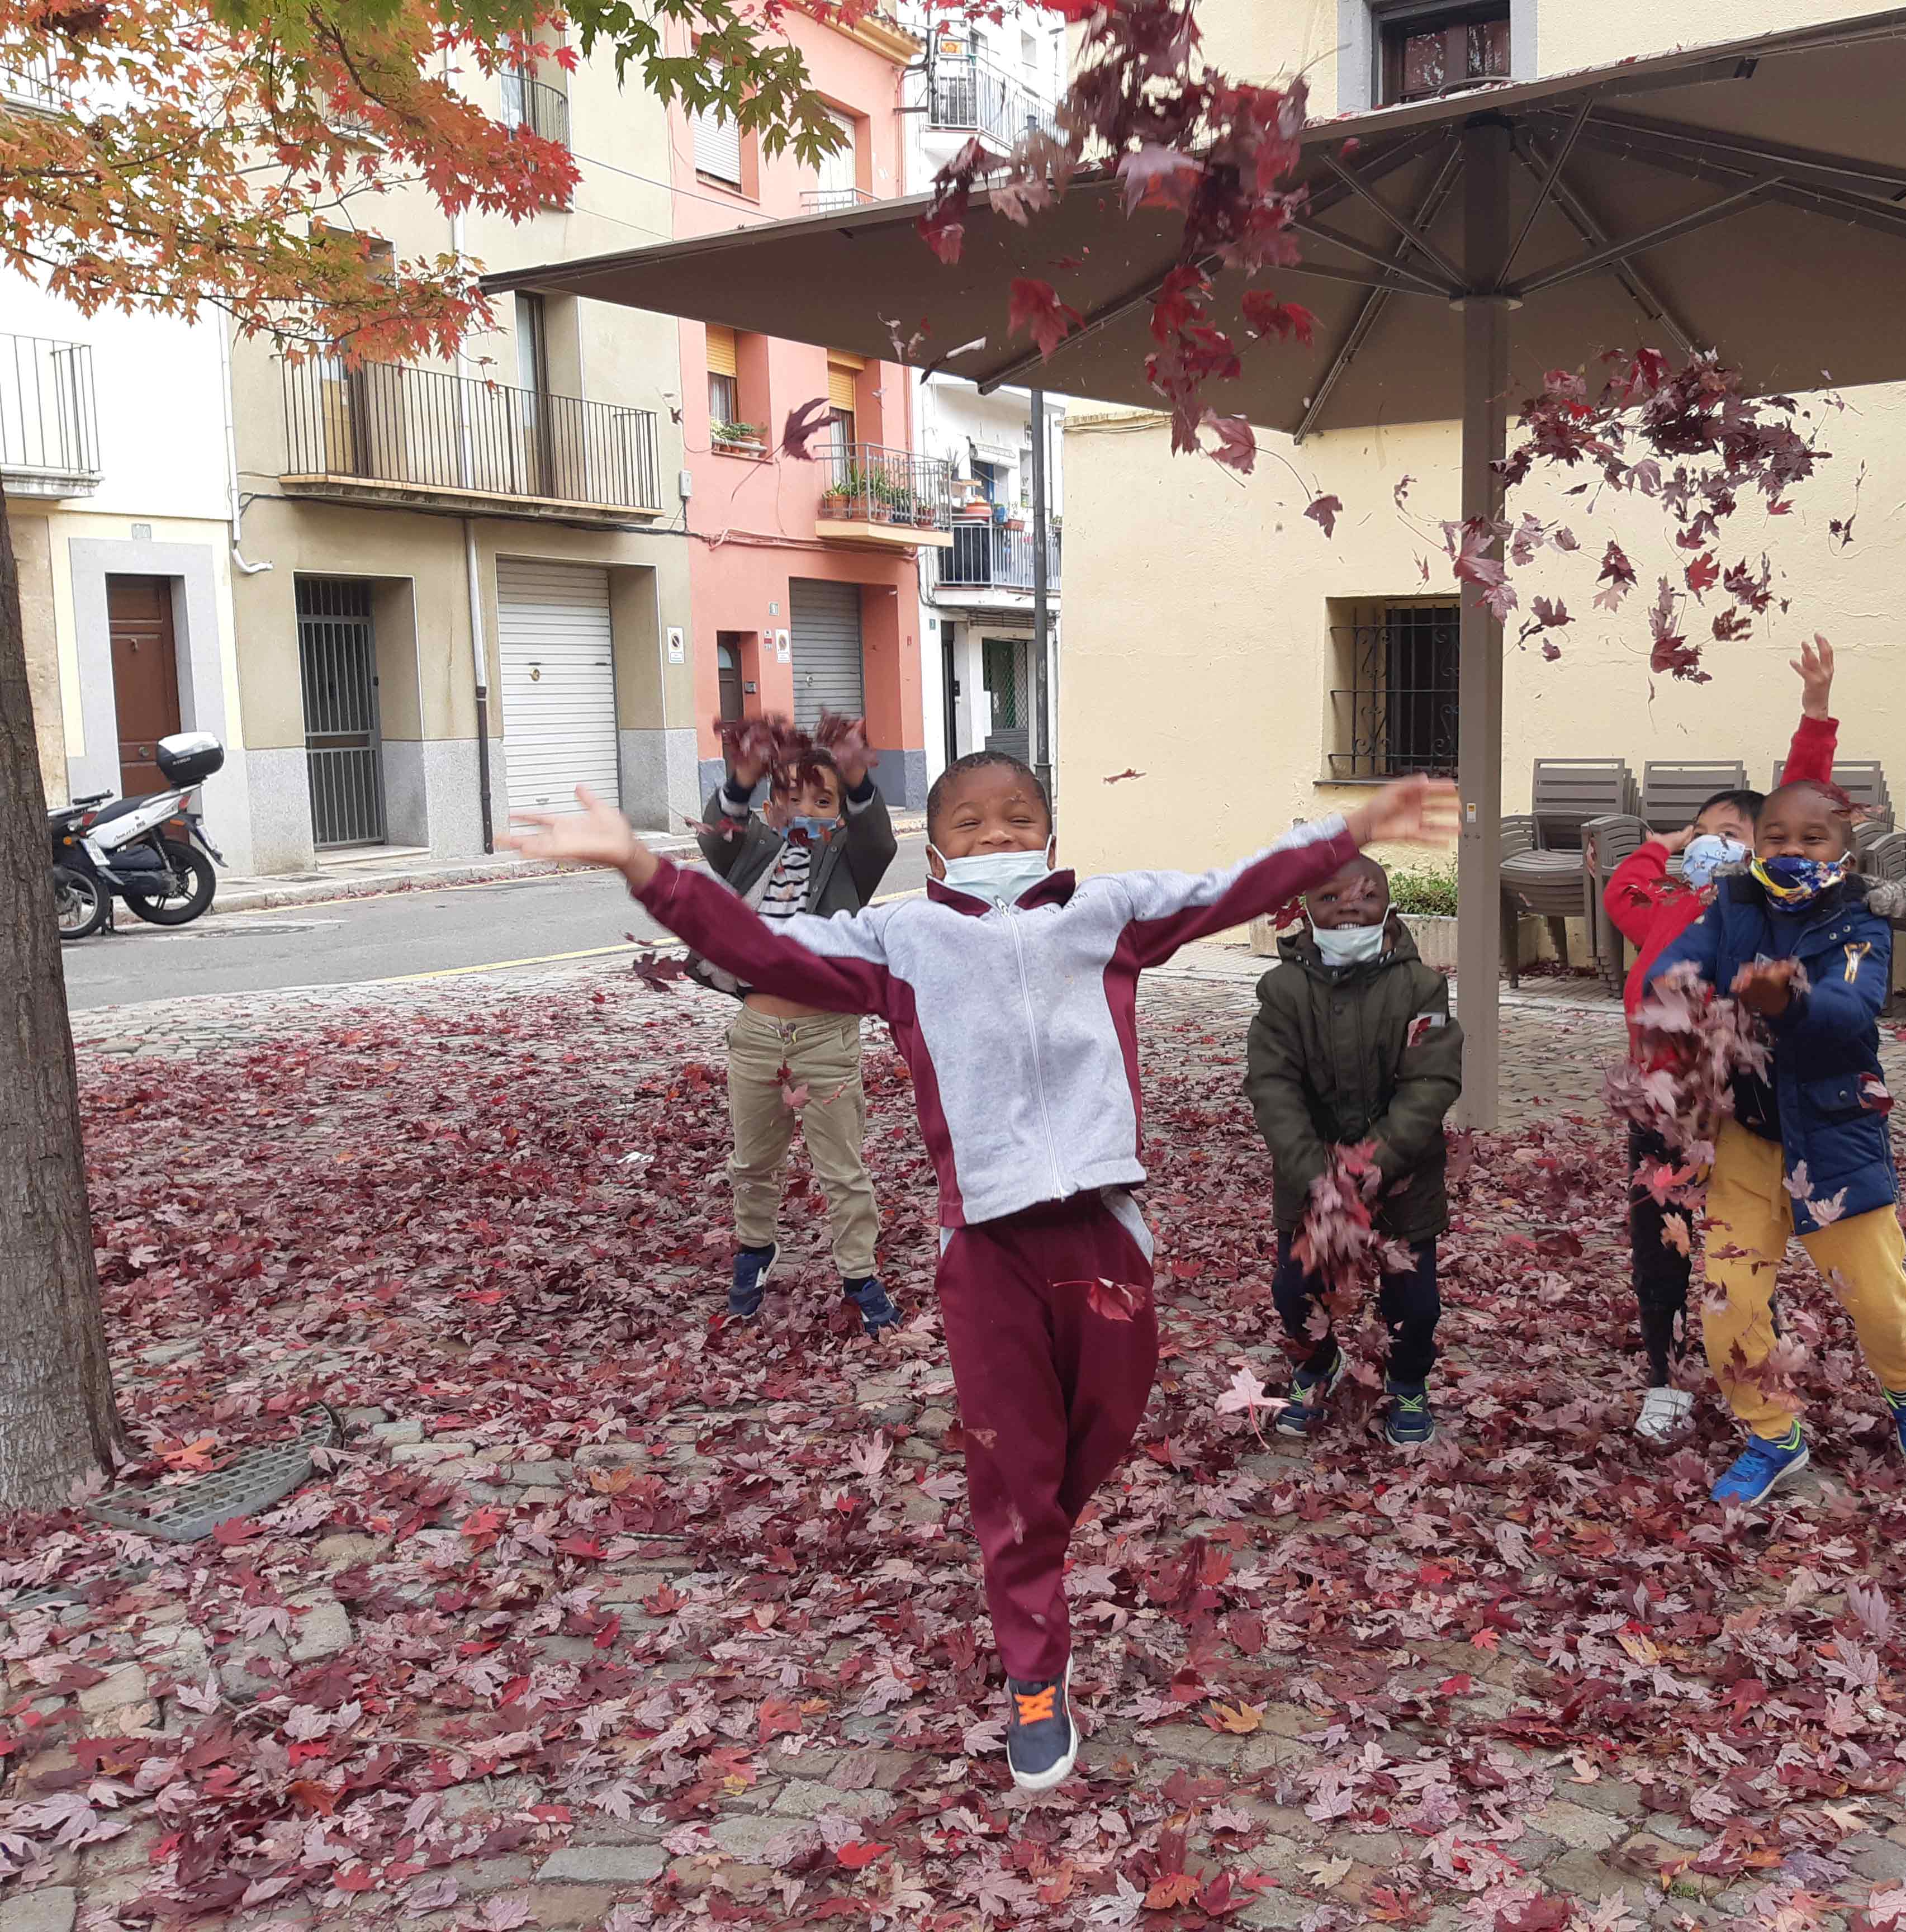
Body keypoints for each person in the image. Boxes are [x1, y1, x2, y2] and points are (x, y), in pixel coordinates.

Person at [502, 757, 1458, 1792]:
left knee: (1098, 1432)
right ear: (935, 845)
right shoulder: (900, 941)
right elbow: (760, 942)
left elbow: (1231, 885)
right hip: (988, 1247)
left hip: (1105, 1238)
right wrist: (645, 868)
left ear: (1051, 831)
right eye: (971, 821)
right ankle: (1034, 1670)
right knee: (1010, 1474)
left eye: (1019, 818)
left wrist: (1352, 824)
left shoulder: (1107, 914)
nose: (998, 835)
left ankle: (1030, 1543)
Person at [1646, 777, 1906, 1505]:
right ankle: (1773, 1436)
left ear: (1842, 846)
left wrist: (1792, 1001)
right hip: (1746, 1141)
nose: (1791, 851)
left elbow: (1851, 1011)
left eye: (1812, 839)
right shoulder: (1734, 906)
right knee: (1731, 1306)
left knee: (1878, 1300)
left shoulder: (1859, 918)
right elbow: (1671, 967)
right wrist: (1685, 994)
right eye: (1776, 837)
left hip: (1834, 1136)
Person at [1601, 639, 1842, 1445]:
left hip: (1743, 1107)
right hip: (1664, 1107)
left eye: (1731, 833)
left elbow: (1805, 802)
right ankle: (1663, 1376)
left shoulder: (1764, 909)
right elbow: (1621, 890)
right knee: (1659, 1245)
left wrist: (1815, 712)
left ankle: (1752, 1380)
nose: (1715, 843)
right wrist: (1665, 843)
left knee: (1744, 1248)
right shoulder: (1667, 906)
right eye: (1705, 833)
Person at [1244, 854, 1462, 1447]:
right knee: (1295, 1292)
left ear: (1387, 908)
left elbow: (1431, 1080)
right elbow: (1273, 1085)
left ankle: (1409, 1384)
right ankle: (1318, 1363)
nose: (1347, 909)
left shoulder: (1421, 986)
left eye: (1364, 898)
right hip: (1311, 1180)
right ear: (1307, 911)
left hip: (1402, 1180)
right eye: (1331, 898)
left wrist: (1377, 1162)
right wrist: (1317, 1173)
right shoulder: (1283, 989)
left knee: (1413, 1303)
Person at [691, 724, 899, 1328]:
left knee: (842, 1169)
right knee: (753, 1162)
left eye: (823, 800)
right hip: (757, 1035)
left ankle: (860, 1275)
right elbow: (717, 829)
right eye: (791, 795)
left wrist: (856, 775)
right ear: (772, 804)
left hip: (827, 1037)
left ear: (839, 815)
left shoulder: (850, 864)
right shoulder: (751, 849)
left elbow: (877, 838)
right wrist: (744, 775)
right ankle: (755, 1250)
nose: (804, 809)